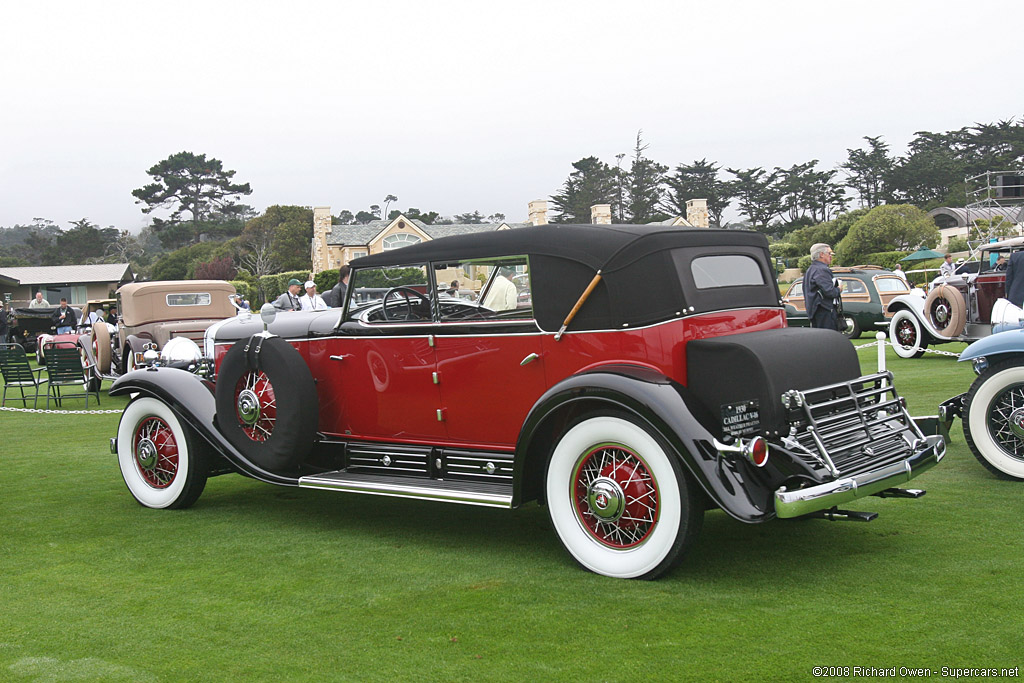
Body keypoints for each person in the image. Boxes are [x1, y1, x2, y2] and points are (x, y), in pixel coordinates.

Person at [804, 243, 843, 332]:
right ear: (821, 254)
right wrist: (839, 289)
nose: (831, 256)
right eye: (829, 254)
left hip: (815, 311)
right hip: (824, 312)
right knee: (829, 341)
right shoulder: (821, 270)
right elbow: (830, 292)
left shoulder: (811, 269)